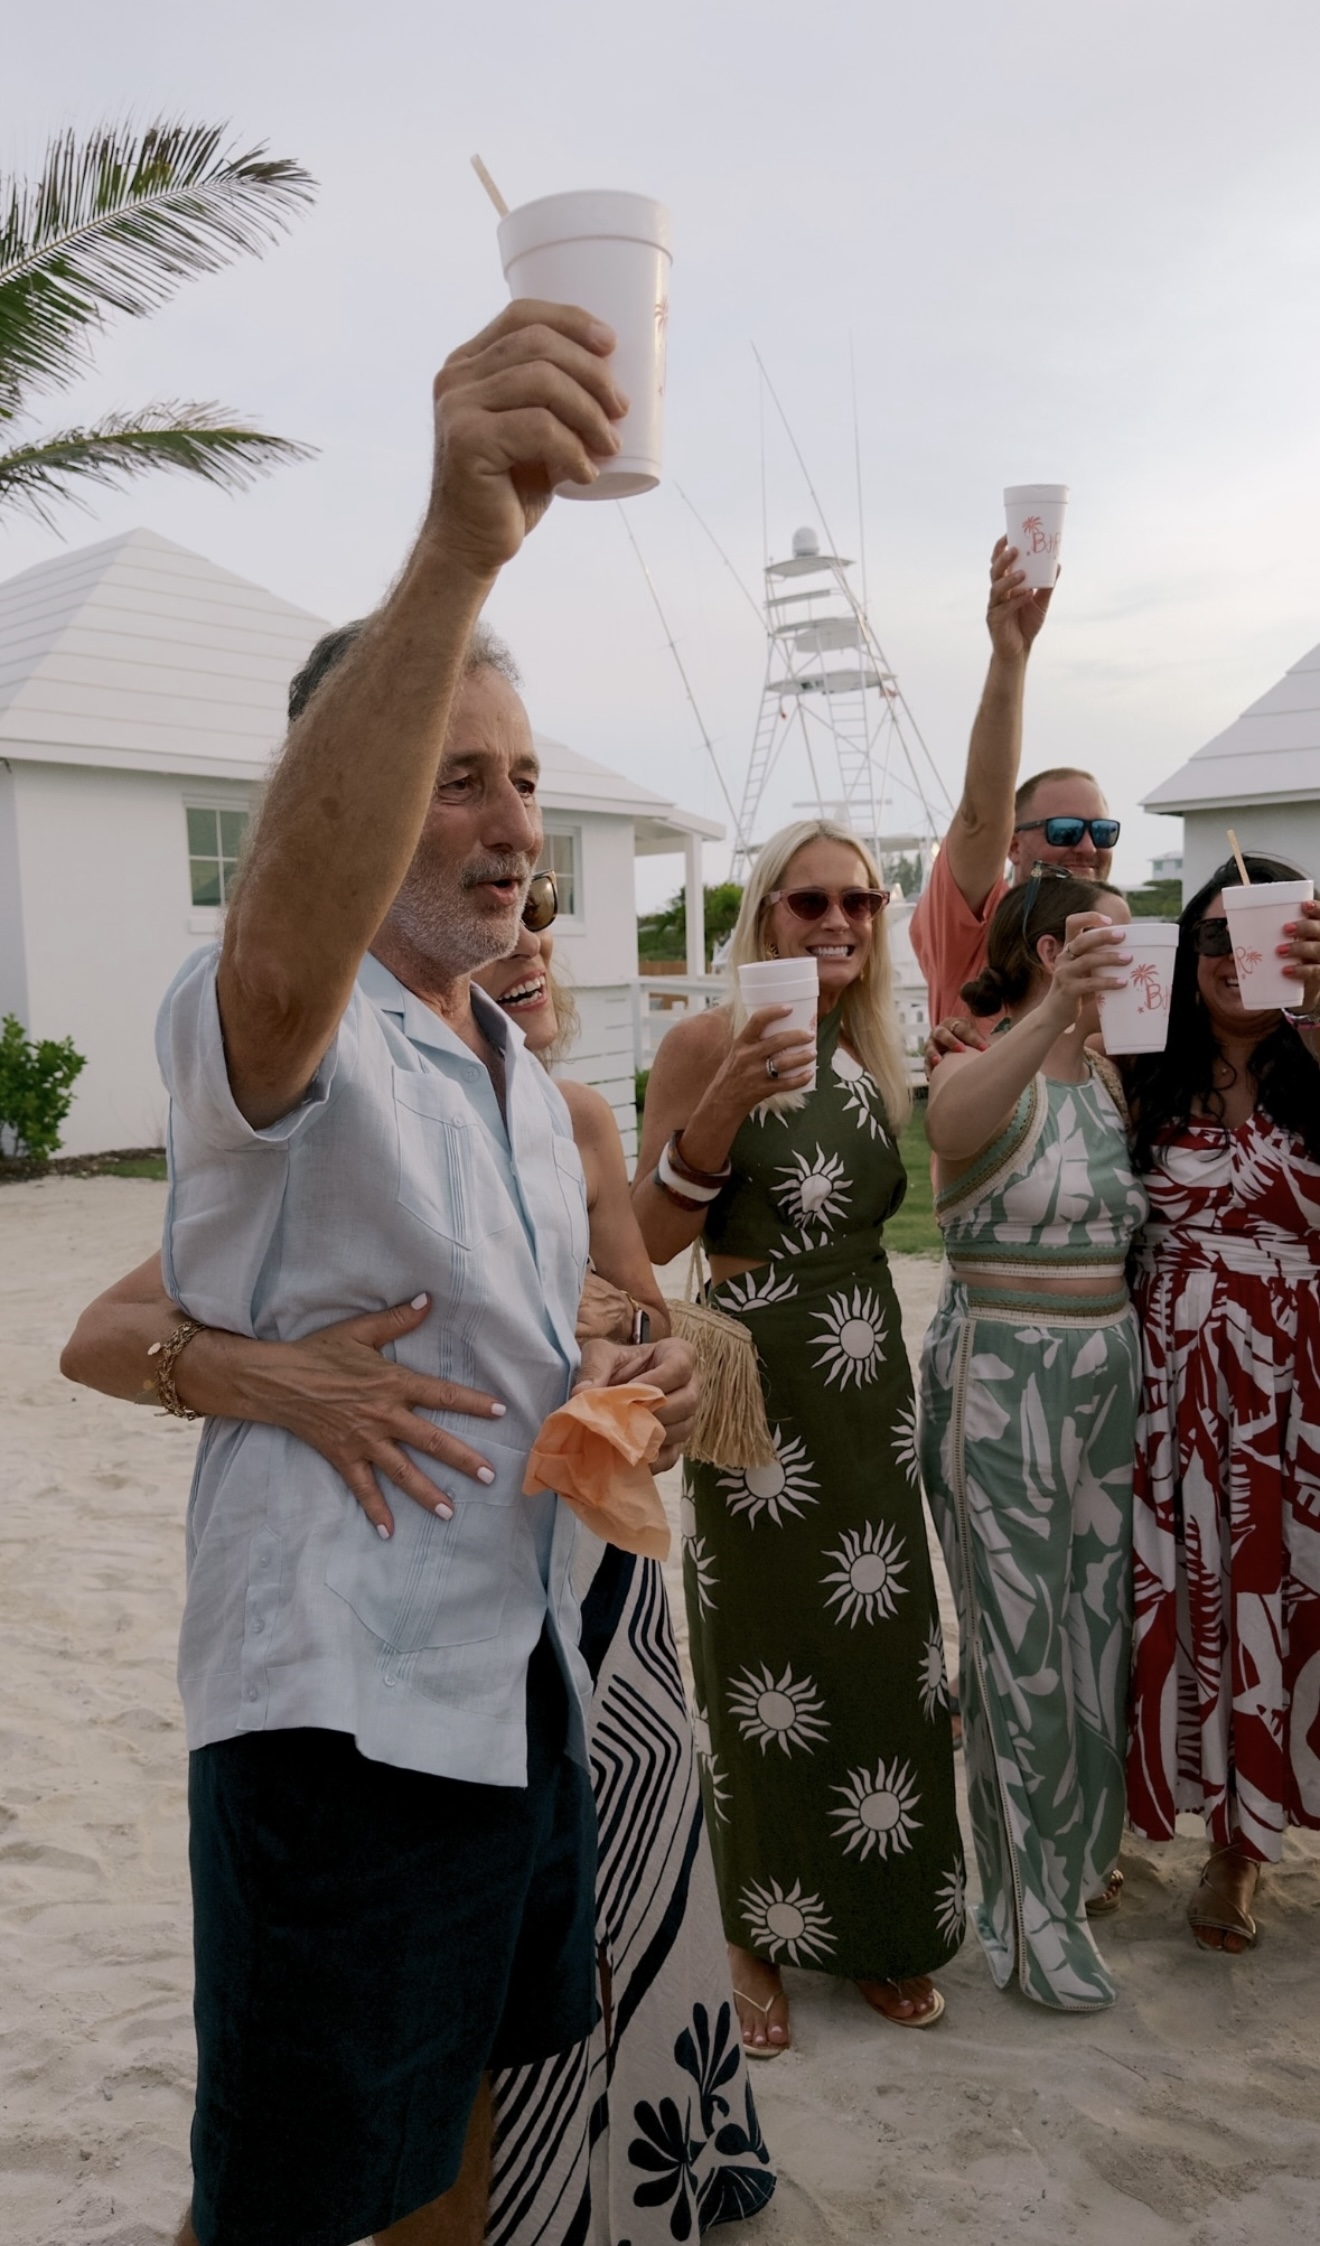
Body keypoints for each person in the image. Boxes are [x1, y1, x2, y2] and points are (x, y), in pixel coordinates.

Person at [82, 300, 698, 2246]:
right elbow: (277, 950)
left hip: (512, 1675)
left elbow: (553, 1315)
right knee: (280, 2195)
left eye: (522, 779)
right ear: (335, 795)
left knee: (452, 2137)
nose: (512, 821)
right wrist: (456, 543)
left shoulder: (512, 1063)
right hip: (336, 1721)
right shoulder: (291, 1012)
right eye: (453, 773)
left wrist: (629, 1364)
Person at [66, 907, 774, 2245]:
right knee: (300, 2126)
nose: (526, 945)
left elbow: (643, 1302)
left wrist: (647, 1366)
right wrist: (281, 1376)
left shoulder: (562, 1122)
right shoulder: (339, 1133)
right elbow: (101, 1333)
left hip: (557, 1603)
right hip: (356, 1650)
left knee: (494, 2051)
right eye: (495, 930)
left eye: (544, 919)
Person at [633, 819, 966, 2055]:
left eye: (859, 902)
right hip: (751, 1377)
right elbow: (648, 1234)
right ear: (764, 913)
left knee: (886, 1649)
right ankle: (757, 1930)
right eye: (807, 901)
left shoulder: (877, 1051)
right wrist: (722, 1102)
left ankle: (885, 1921)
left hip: (865, 1371)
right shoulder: (703, 1039)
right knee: (764, 1656)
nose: (836, 922)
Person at [919, 870, 1147, 2011]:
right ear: (1053, 947)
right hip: (1002, 1374)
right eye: (1105, 936)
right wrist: (1053, 1009)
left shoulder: (1114, 1073)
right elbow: (951, 1129)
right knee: (1014, 1651)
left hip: (1109, 1376)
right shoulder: (981, 1063)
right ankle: (1027, 1914)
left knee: (1094, 1636)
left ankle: (1072, 1867)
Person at [1125, 855, 1320, 1954]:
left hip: (1304, 1372)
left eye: (1266, 933)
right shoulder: (1142, 1066)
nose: (1237, 959)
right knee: (1201, 1589)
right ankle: (1229, 1844)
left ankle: (1254, 1836)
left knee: (1295, 1587)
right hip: (1177, 1376)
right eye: (1215, 938)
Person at [910, 538, 1119, 1031]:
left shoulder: (1120, 951)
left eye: (1102, 831)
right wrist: (1011, 658)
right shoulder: (976, 935)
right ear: (1013, 844)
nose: (1087, 847)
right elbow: (981, 816)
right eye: (1065, 831)